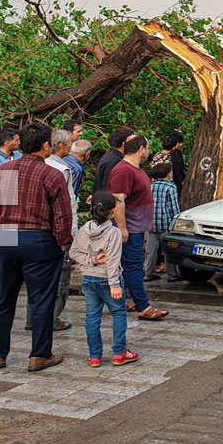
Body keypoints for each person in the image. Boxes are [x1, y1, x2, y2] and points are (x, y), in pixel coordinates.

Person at [0, 123, 73, 372]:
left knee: (0, 298)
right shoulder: (51, 175)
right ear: (46, 145)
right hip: (38, 239)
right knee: (41, 299)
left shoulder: (1, 171)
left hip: (5, 237)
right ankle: (39, 355)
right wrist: (61, 242)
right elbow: (63, 217)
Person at [70, 191, 139, 367]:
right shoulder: (114, 232)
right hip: (107, 280)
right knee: (118, 313)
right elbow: (113, 261)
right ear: (113, 211)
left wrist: (91, 261)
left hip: (88, 278)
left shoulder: (85, 229)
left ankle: (94, 356)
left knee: (92, 316)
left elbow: (73, 252)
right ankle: (120, 353)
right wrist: (114, 284)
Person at [108, 135, 169, 321]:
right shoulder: (124, 170)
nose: (148, 151)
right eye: (148, 147)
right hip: (130, 229)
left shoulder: (134, 169)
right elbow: (118, 200)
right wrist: (122, 228)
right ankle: (143, 306)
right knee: (133, 267)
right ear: (141, 149)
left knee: (129, 267)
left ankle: (121, 302)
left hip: (136, 228)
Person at [34, 129, 78, 332]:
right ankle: (52, 319)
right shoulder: (61, 170)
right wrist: (66, 236)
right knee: (60, 276)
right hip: (54, 234)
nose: (71, 146)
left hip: (32, 234)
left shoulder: (21, 168)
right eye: (69, 143)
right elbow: (65, 207)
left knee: (36, 279)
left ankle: (32, 319)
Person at [147, 162, 180, 281]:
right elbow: (174, 208)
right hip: (166, 224)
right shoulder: (171, 188)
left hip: (151, 223)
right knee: (169, 251)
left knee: (151, 251)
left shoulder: (150, 186)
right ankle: (172, 275)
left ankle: (149, 273)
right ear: (168, 174)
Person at [92, 126, 135, 194]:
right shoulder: (114, 161)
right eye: (133, 142)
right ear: (124, 144)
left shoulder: (110, 157)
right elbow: (109, 189)